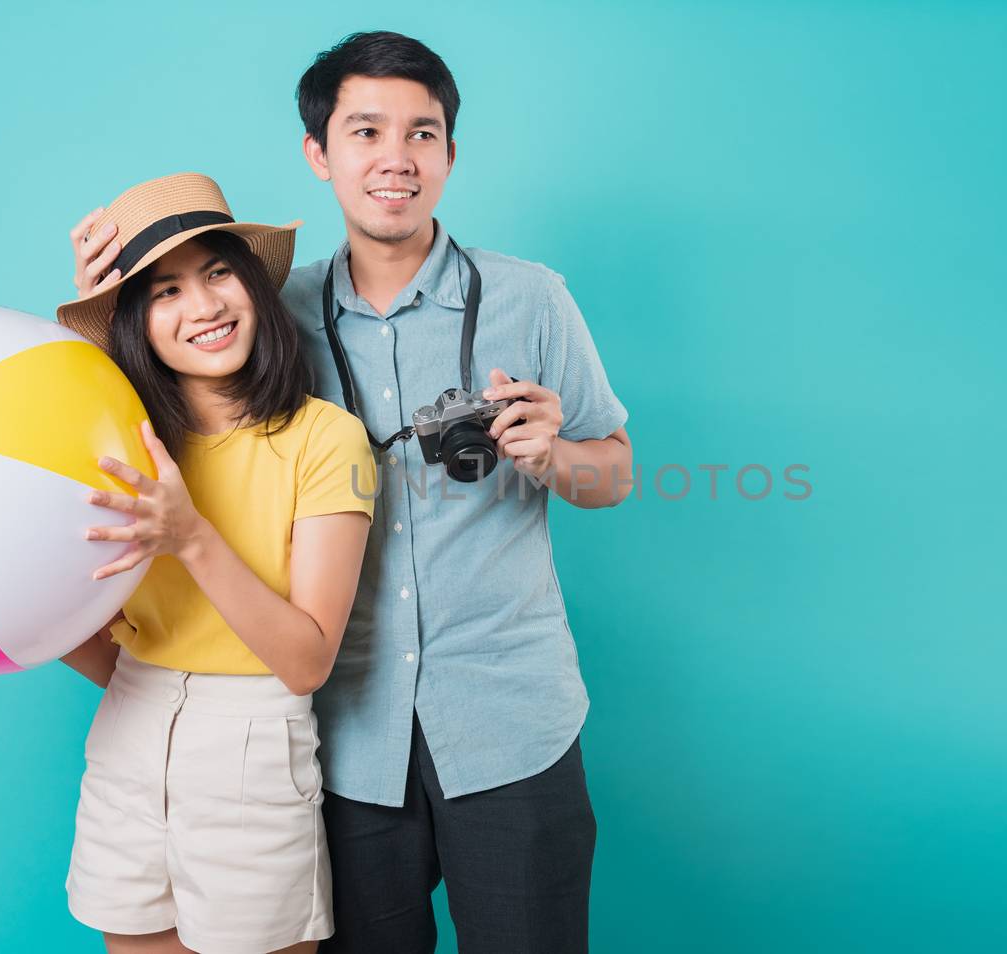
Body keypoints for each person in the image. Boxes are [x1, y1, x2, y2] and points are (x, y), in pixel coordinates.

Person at [71, 31, 634, 954]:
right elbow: (147, 401)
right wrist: (102, 303)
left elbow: (613, 469)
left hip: (510, 720)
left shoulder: (531, 300)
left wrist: (553, 456)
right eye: (366, 130)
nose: (395, 158)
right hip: (341, 740)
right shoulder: (263, 312)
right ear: (319, 153)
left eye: (422, 133)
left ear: (449, 153)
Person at [57, 172, 376, 954]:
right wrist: (152, 683)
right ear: (135, 321)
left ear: (255, 285)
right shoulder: (117, 445)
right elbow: (52, 615)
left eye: (218, 272)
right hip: (127, 733)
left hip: (255, 747)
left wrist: (192, 537)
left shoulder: (324, 439)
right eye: (163, 291)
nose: (202, 307)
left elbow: (306, 662)